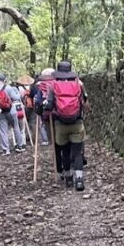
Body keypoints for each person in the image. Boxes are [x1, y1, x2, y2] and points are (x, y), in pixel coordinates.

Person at [44, 60, 87, 190]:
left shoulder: (53, 86)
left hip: (60, 124)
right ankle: (79, 180)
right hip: (77, 123)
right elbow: (85, 101)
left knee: (65, 151)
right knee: (77, 152)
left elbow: (49, 105)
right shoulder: (78, 84)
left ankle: (68, 177)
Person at [29, 68, 54, 147]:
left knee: (47, 128)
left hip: (45, 112)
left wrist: (39, 111)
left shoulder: (38, 86)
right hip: (58, 112)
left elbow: (37, 100)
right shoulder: (57, 83)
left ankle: (49, 141)